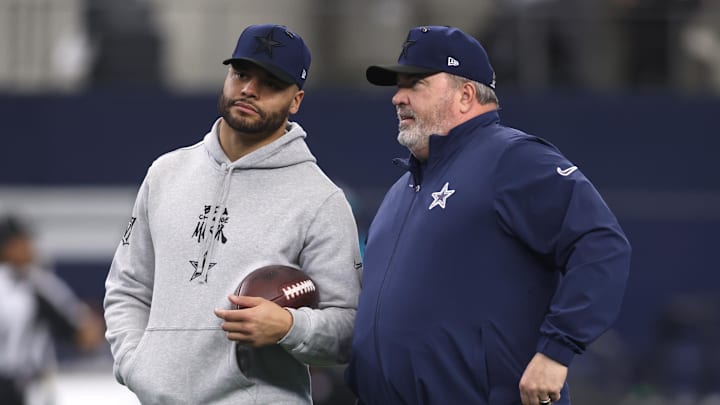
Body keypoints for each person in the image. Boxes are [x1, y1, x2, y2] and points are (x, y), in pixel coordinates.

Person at [344, 26, 631, 405]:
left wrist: (556, 351)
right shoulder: (403, 190)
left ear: (465, 95)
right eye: (398, 85)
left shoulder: (511, 158)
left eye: (415, 83)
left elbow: (600, 244)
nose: (398, 97)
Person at [103, 24, 362, 404]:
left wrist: (290, 326)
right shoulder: (164, 174)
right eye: (241, 74)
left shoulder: (321, 199)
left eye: (271, 82)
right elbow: (127, 288)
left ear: (296, 100)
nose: (249, 89)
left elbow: (348, 328)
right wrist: (135, 364)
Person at [0, 215, 104, 405]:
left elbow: (84, 333)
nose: (29, 246)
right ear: (8, 247)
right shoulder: (34, 284)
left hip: (27, 384)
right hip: (22, 383)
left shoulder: (37, 282)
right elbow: (86, 334)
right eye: (22, 241)